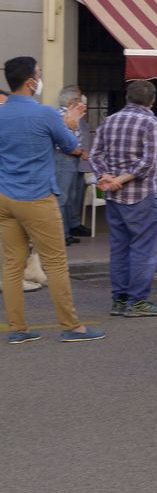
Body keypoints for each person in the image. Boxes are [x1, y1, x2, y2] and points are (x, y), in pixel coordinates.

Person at [0, 56, 103, 343]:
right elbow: (70, 146)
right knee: (55, 262)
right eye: (39, 74)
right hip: (37, 196)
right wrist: (70, 123)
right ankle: (71, 326)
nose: (40, 78)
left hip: (5, 196)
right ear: (30, 82)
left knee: (12, 265)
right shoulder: (44, 113)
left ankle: (18, 329)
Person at [89, 78, 157, 319]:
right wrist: (122, 179)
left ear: (127, 97)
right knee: (144, 249)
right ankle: (138, 300)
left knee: (119, 248)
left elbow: (95, 154)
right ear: (152, 100)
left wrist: (106, 176)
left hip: (114, 196)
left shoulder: (109, 120)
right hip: (141, 193)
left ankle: (120, 299)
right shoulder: (150, 122)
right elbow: (148, 162)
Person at [53, 86, 90, 246]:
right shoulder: (63, 115)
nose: (81, 101)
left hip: (70, 158)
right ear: (72, 100)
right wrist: (79, 151)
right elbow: (65, 142)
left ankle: (68, 229)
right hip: (65, 158)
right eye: (79, 98)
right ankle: (61, 234)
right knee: (63, 197)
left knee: (70, 197)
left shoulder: (69, 114)